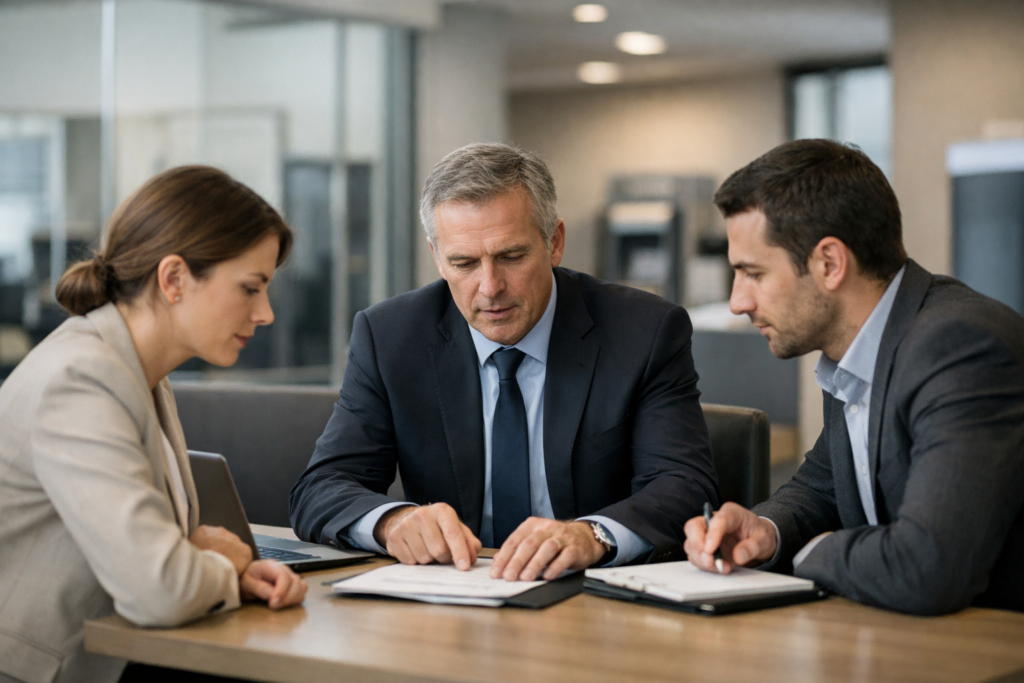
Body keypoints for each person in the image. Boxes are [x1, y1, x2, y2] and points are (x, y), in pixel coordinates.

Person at [290, 143, 718, 581]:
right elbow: (321, 488)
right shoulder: (391, 336)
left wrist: (592, 536)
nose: (489, 287)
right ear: (438, 259)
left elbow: (684, 488)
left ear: (554, 243)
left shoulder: (644, 331)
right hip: (451, 598)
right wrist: (391, 522)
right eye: (463, 263)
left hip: (595, 596)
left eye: (511, 257)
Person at [683, 139, 1024, 615]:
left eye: (752, 273)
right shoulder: (858, 351)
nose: (738, 301)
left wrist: (812, 552)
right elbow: (821, 489)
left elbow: (928, 567)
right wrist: (766, 531)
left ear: (829, 263)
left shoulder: (960, 348)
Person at [0, 166, 308, 683]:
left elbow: (166, 557)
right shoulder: (81, 379)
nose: (266, 314)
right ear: (173, 280)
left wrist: (233, 572)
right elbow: (160, 590)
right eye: (250, 288)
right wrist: (220, 568)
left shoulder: (141, 374)